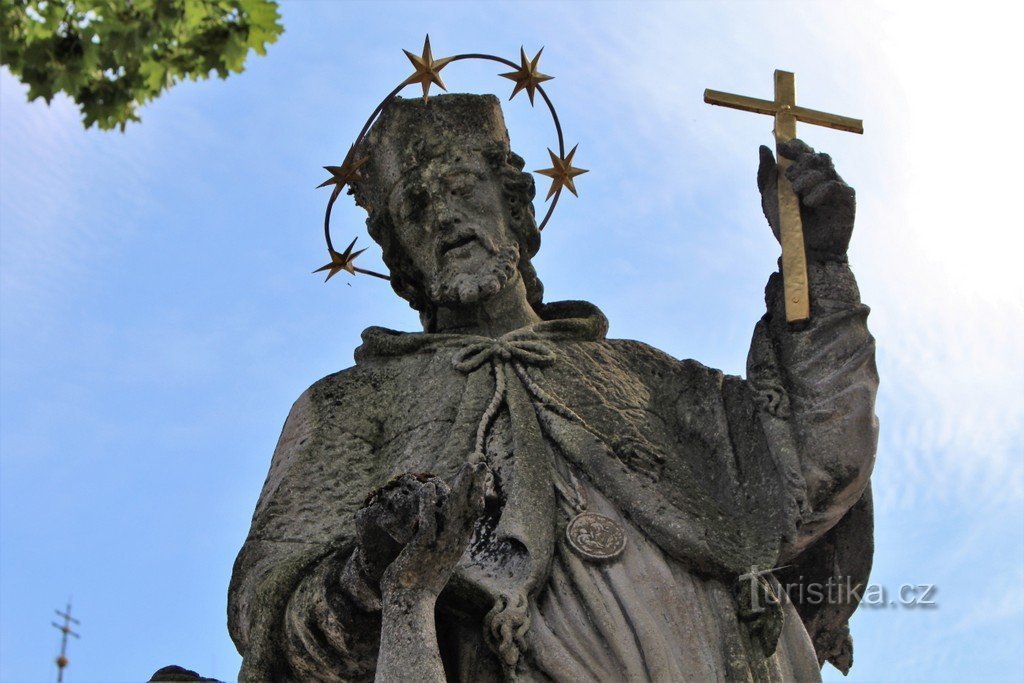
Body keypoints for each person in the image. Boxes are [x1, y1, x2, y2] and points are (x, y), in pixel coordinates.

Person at [228, 94, 878, 682]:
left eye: (460, 186)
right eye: (415, 208)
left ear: (513, 205)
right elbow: (272, 612)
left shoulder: (643, 374)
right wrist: (369, 573)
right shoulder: (353, 403)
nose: (444, 216)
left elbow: (810, 454)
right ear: (400, 259)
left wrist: (817, 268)